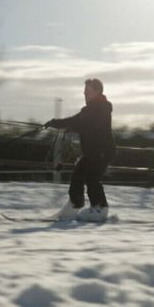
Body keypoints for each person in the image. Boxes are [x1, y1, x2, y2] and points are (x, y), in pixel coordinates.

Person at [44, 78, 116, 222]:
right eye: (84, 91)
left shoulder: (102, 108)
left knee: (92, 179)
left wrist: (63, 125)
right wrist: (57, 124)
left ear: (97, 92)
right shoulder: (89, 109)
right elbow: (79, 121)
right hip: (92, 152)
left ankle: (100, 208)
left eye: (87, 91)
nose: (84, 94)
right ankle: (75, 204)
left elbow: (87, 123)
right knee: (78, 174)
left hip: (102, 152)